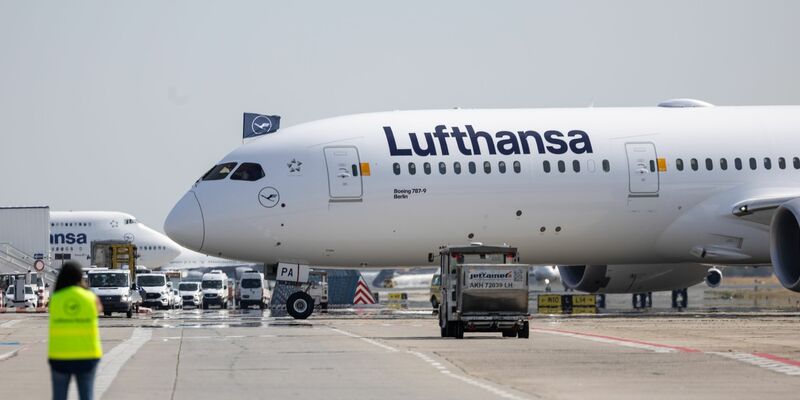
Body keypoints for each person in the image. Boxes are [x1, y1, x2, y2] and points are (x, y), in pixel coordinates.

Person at [48, 261, 103, 400]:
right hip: (87, 355)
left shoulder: (55, 299)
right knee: (87, 396)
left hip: (60, 356)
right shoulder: (91, 298)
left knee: (59, 397)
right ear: (80, 277)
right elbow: (99, 310)